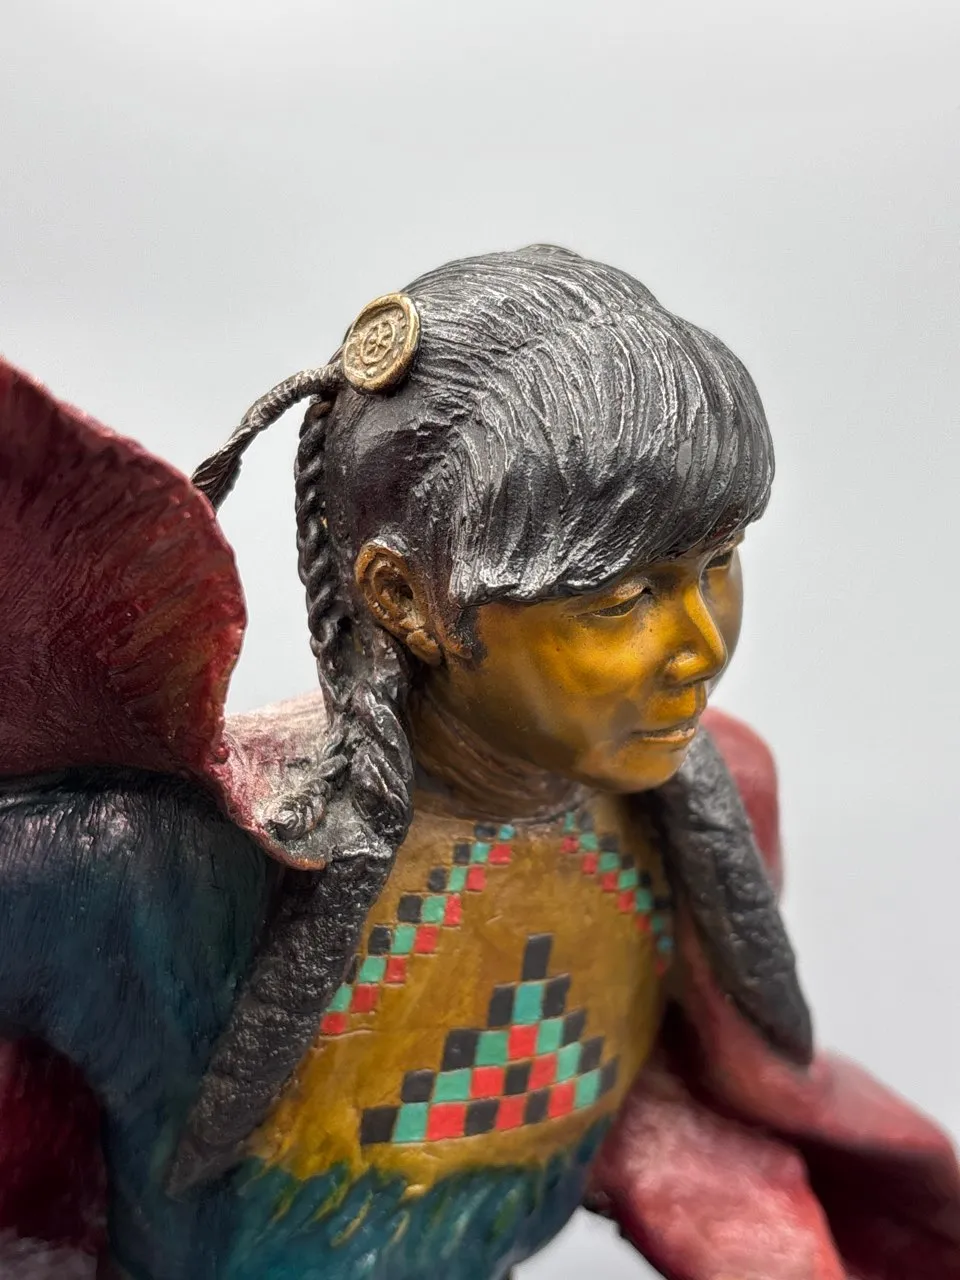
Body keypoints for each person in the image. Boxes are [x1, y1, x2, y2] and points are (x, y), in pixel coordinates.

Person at [0, 246, 957, 1279]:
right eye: (620, 600)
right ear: (407, 600)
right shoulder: (156, 865)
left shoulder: (703, 807)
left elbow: (651, 1090)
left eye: (718, 563)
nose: (701, 644)